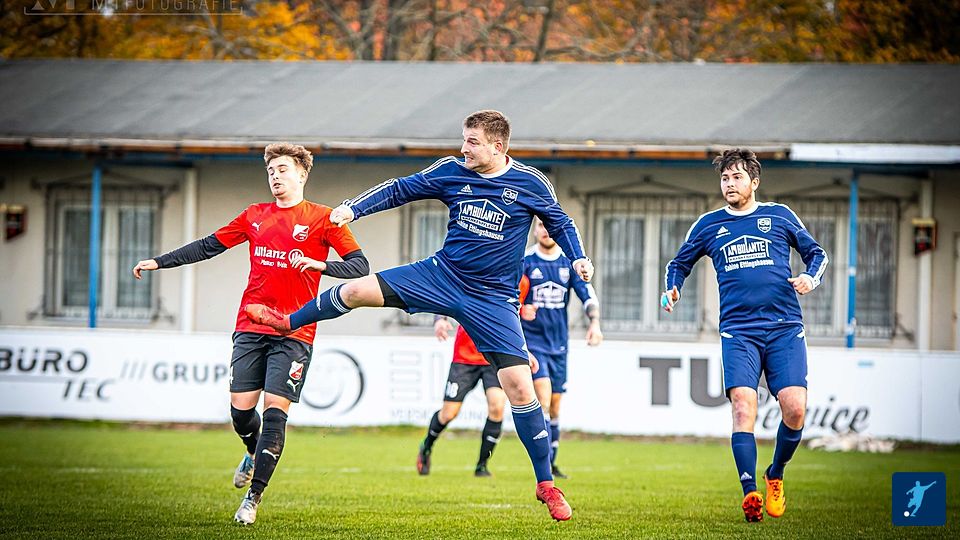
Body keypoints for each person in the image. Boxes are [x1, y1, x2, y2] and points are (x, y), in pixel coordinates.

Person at [246, 110, 593, 521]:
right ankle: (288, 321)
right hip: (442, 276)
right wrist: (353, 209)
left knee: (519, 387)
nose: (463, 148)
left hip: (493, 299)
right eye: (463, 139)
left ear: (498, 146)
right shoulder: (452, 170)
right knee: (356, 290)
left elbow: (560, 222)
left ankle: (546, 485)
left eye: (472, 142)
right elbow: (401, 189)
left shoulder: (530, 182)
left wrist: (578, 258)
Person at [132, 143, 369, 525]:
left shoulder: (324, 219)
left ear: (302, 174)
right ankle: (250, 451)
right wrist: (160, 262)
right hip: (250, 325)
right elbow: (208, 246)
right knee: (241, 413)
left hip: (295, 329)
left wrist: (319, 264)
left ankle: (253, 498)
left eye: (283, 169)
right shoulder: (254, 215)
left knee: (274, 411)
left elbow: (359, 267)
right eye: (271, 170)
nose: (275, 176)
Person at [661, 148, 827, 522]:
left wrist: (810, 278)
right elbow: (679, 263)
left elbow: (817, 254)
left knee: (795, 409)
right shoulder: (708, 224)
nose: (729, 184)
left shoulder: (779, 215)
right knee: (742, 407)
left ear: (754, 182)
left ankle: (775, 473)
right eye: (725, 178)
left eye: (737, 177)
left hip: (784, 328)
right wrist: (673, 287)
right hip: (739, 332)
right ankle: (750, 491)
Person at [419, 277, 533, 478]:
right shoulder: (476, 269)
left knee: (497, 406)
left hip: (495, 355)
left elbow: (514, 319)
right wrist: (440, 319)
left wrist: (523, 350)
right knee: (449, 413)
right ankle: (427, 446)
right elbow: (445, 290)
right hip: (464, 357)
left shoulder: (521, 281)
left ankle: (482, 465)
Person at [520, 218, 603, 479]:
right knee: (543, 400)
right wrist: (521, 309)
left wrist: (595, 323)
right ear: (535, 230)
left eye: (548, 226)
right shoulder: (525, 261)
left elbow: (588, 295)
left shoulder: (568, 262)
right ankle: (544, 468)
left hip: (559, 344)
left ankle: (552, 462)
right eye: (540, 226)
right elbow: (506, 296)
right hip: (533, 344)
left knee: (555, 406)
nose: (545, 231)